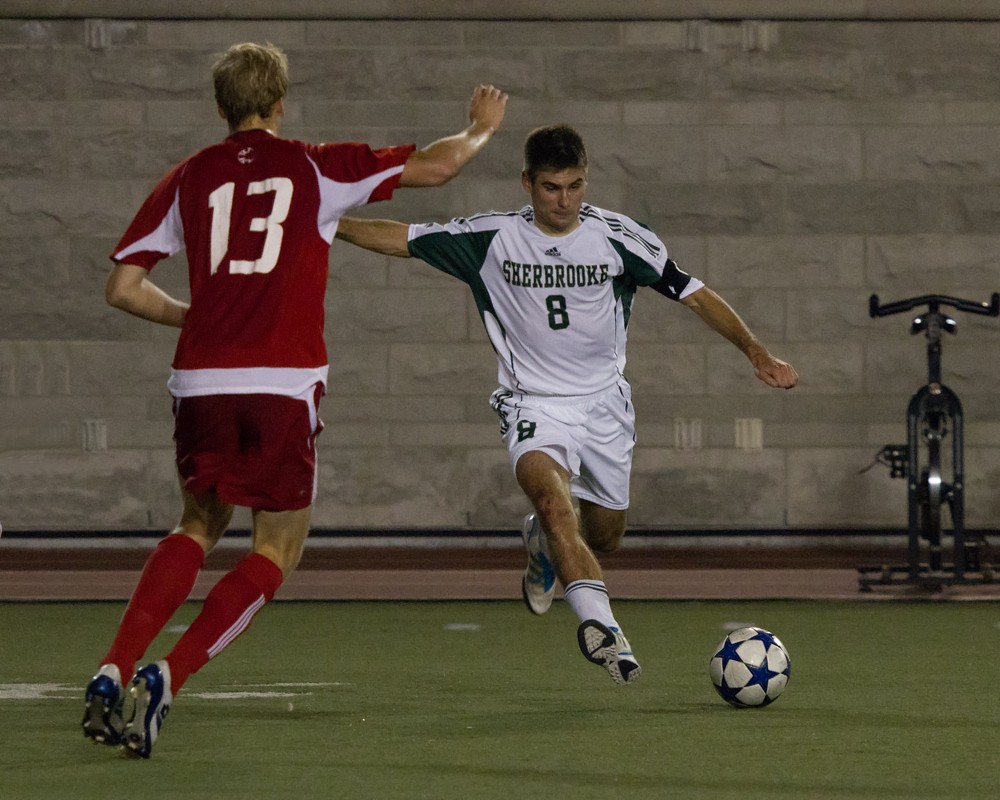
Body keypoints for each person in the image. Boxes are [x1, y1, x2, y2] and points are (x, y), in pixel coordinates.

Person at [81, 41, 507, 759]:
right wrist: (479, 129)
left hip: (201, 381)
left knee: (196, 524)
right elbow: (437, 167)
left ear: (221, 108)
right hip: (281, 382)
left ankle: (111, 666)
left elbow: (121, 287)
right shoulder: (315, 165)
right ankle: (168, 674)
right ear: (280, 102)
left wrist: (199, 316)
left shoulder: (189, 176)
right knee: (277, 546)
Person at [334, 124, 798, 686]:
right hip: (531, 403)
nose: (564, 200)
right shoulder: (491, 238)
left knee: (602, 536)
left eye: (575, 186)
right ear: (527, 182)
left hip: (605, 408)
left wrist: (754, 350)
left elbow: (693, 292)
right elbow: (400, 237)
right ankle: (604, 629)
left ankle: (540, 547)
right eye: (551, 187)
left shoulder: (620, 237)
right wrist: (325, 222)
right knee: (558, 507)